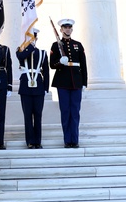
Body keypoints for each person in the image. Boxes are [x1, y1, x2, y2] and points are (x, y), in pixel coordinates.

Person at [50, 18, 87, 148]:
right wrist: (61, 62)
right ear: (61, 29)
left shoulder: (78, 44)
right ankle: (67, 140)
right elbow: (52, 65)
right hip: (63, 82)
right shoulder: (56, 45)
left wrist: (84, 83)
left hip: (76, 81)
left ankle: (75, 140)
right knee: (65, 111)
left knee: (75, 111)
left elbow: (83, 64)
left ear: (72, 29)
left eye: (69, 27)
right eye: (65, 27)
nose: (67, 29)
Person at [16, 28, 50, 149]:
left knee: (38, 114)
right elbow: (21, 56)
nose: (32, 40)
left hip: (38, 86)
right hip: (25, 86)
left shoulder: (42, 53)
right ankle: (30, 141)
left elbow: (46, 71)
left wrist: (46, 88)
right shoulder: (20, 50)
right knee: (27, 115)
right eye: (29, 38)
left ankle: (38, 141)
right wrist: (29, 46)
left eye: (33, 38)